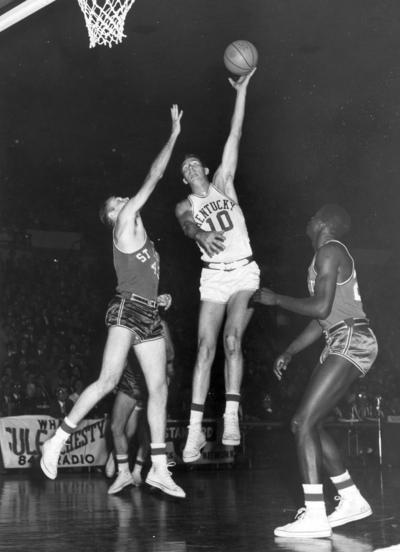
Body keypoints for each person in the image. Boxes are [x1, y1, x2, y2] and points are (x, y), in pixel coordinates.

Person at [40, 105, 185, 499]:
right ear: (113, 217)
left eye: (122, 199)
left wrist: (161, 296)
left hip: (149, 311)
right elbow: (154, 176)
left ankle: (156, 466)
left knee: (158, 389)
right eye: (116, 202)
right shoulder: (124, 223)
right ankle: (56, 441)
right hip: (127, 310)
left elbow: (144, 276)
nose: (122, 199)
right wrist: (173, 135)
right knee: (107, 380)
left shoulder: (142, 237)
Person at [252, 204, 378, 538]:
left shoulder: (330, 250)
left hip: (351, 338)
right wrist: (290, 351)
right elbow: (322, 317)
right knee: (311, 423)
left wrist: (276, 299)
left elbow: (321, 307)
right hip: (339, 337)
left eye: (311, 218)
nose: (307, 221)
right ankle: (350, 497)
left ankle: (316, 513)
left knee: (301, 422)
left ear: (322, 224)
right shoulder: (322, 258)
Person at [175, 69, 260, 463]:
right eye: (186, 168)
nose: (192, 169)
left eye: (196, 164)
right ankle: (193, 433)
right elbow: (188, 225)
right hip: (213, 277)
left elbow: (236, 134)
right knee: (206, 348)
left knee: (231, 341)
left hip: (243, 271)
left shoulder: (224, 183)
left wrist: (241, 92)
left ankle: (230, 418)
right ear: (184, 178)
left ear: (206, 170)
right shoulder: (184, 205)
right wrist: (198, 235)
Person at [106, 295, 175, 495]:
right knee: (117, 427)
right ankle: (122, 469)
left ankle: (137, 470)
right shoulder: (126, 318)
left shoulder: (160, 325)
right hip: (130, 380)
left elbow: (170, 356)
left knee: (147, 432)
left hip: (148, 383)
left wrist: (153, 350)